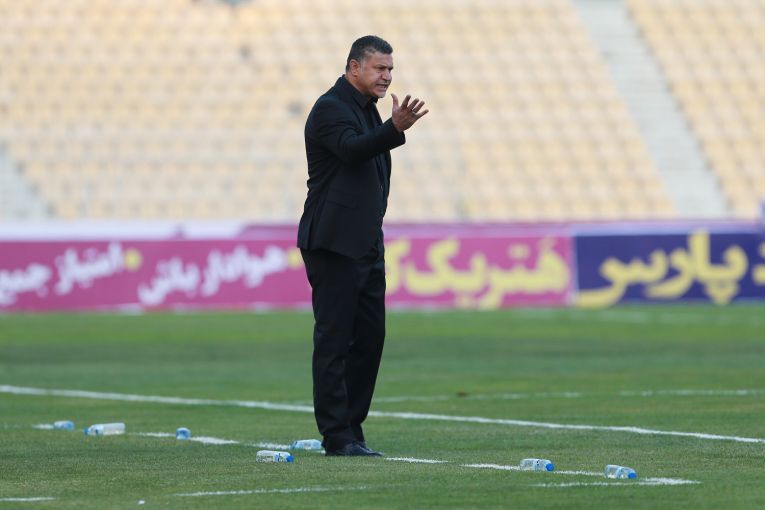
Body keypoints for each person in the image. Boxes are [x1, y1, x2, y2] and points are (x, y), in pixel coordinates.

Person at [297, 35, 428, 457]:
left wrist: (389, 128)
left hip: (366, 242)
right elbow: (351, 151)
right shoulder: (330, 108)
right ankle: (337, 435)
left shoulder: (368, 109)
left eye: (390, 69)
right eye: (379, 68)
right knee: (335, 341)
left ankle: (352, 429)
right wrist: (394, 128)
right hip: (334, 242)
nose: (387, 76)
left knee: (370, 340)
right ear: (354, 67)